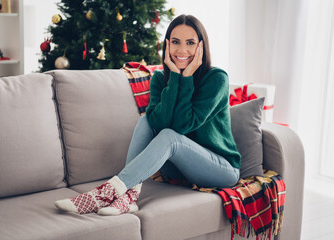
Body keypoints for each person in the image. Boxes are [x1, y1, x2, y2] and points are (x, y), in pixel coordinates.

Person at [55, 14, 241, 216]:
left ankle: (106, 193)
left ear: (201, 47)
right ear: (167, 45)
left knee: (171, 136)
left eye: (190, 43)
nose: (182, 50)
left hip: (221, 169)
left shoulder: (216, 79)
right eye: (176, 42)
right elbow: (157, 122)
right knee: (146, 120)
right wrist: (175, 79)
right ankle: (129, 197)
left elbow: (182, 126)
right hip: (178, 169)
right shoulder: (161, 77)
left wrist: (186, 78)